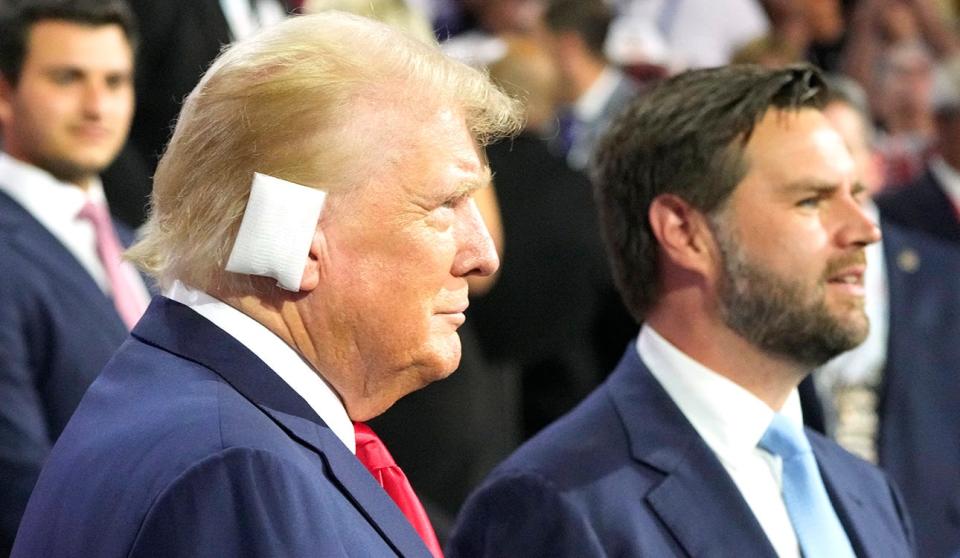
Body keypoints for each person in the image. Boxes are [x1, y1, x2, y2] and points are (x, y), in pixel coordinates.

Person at [12, 11, 520, 558]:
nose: (483, 255)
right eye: (444, 204)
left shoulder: (223, 422)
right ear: (299, 239)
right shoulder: (236, 473)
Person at [448, 64, 915, 557]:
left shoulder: (868, 491)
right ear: (684, 232)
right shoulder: (553, 505)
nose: (865, 228)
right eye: (811, 200)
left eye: (858, 195)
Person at [0, 1, 149, 552]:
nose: (96, 105)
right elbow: (17, 486)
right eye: (68, 78)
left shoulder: (137, 246)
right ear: (4, 93)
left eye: (114, 81)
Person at [806, 78, 960, 558]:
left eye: (843, 149)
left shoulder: (945, 275)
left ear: (874, 162)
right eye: (812, 155)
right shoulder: (759, 282)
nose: (830, 171)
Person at [543, 0, 639, 171]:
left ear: (568, 46)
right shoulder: (550, 114)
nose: (534, 64)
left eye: (542, 47)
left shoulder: (635, 117)